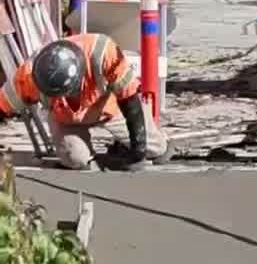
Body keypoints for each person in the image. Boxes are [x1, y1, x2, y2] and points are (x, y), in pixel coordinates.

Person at [0, 33, 166, 170]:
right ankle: (91, 159)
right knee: (75, 159)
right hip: (66, 119)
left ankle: (123, 148)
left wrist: (137, 151)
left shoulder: (103, 53)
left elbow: (130, 100)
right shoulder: (31, 75)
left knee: (156, 149)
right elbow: (2, 105)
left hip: (111, 108)